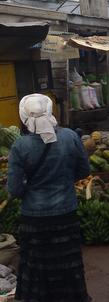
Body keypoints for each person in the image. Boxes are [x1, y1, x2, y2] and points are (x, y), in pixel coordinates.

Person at [7, 94, 90, 302]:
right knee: (68, 268)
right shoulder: (70, 137)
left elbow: (14, 189)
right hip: (65, 214)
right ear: (50, 111)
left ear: (24, 116)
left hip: (34, 219)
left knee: (37, 270)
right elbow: (83, 170)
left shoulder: (20, 146)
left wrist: (30, 186)